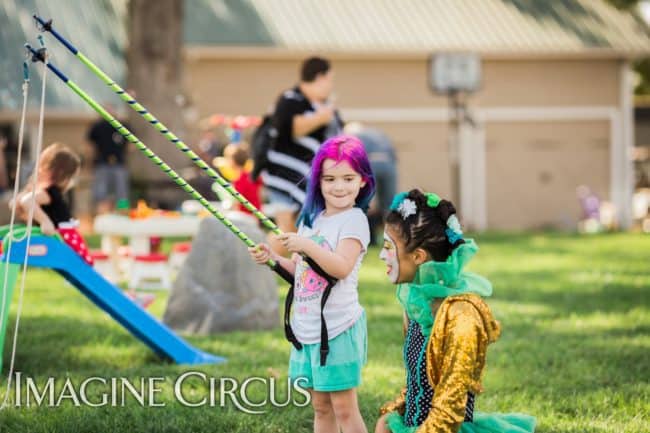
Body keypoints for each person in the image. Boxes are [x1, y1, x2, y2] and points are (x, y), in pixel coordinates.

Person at [375, 190, 535, 433]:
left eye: (388, 247)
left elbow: (450, 410)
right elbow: (418, 382)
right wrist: (393, 418)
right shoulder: (415, 304)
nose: (381, 255)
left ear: (418, 256)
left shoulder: (462, 317)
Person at [249, 135, 375, 433]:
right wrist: (273, 259)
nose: (339, 186)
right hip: (308, 330)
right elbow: (304, 274)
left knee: (344, 409)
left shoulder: (354, 221)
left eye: (348, 178)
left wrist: (306, 245)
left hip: (337, 328)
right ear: (318, 181)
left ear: (362, 182)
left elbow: (341, 267)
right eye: (330, 178)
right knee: (320, 407)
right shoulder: (312, 221)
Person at [262, 56, 344, 253]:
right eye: (329, 79)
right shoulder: (290, 100)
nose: (331, 85)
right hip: (283, 176)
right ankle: (260, 262)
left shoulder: (325, 106)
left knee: (301, 230)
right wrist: (321, 118)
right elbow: (291, 128)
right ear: (319, 77)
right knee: (286, 230)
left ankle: (293, 269)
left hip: (311, 177)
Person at [13, 143, 93, 265]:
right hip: (67, 239)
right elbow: (26, 201)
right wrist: (45, 221)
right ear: (61, 175)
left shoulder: (48, 192)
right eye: (69, 177)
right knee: (84, 264)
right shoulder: (49, 192)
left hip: (66, 238)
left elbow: (20, 202)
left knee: (84, 267)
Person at [344, 122, 398, 245]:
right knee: (389, 206)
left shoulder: (353, 136)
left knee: (365, 203)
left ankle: (365, 239)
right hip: (389, 166)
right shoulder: (379, 134)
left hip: (370, 165)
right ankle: (393, 241)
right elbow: (394, 155)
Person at [85, 104, 130, 214]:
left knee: (122, 193)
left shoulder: (122, 126)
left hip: (119, 163)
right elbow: (89, 145)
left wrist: (124, 153)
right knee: (101, 193)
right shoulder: (97, 126)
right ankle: (102, 218)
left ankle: (122, 217)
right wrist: (89, 162)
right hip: (102, 163)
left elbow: (131, 143)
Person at [231, 145, 263, 216]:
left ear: (233, 161)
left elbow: (237, 203)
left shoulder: (239, 179)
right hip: (256, 215)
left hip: (245, 217)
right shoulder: (253, 176)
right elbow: (260, 196)